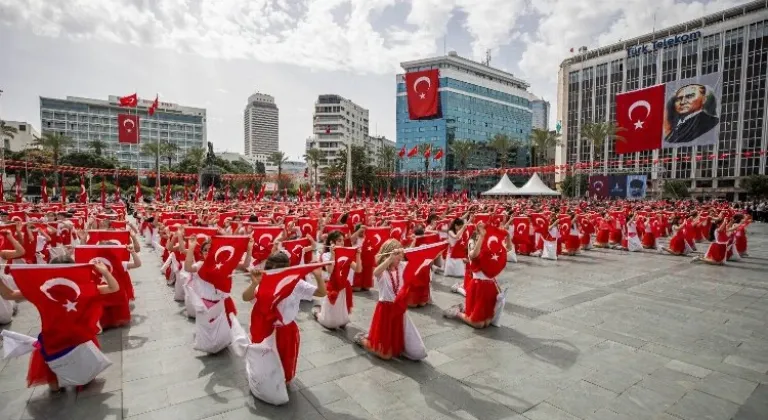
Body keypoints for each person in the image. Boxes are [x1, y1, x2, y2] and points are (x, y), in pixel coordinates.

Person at [242, 253, 327, 383]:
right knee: (265, 366)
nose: (276, 274)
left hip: (286, 330)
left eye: (280, 270)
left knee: (285, 364)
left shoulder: (296, 283)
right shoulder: (262, 280)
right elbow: (245, 297)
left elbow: (321, 293)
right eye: (272, 269)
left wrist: (318, 276)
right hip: (265, 329)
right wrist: (254, 283)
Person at [353, 239, 426, 360]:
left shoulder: (402, 266)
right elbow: (376, 272)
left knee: (418, 352)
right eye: (398, 256)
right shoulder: (382, 270)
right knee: (386, 355)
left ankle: (380, 340)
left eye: (401, 256)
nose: (400, 258)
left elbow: (418, 261)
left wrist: (429, 252)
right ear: (389, 254)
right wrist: (390, 259)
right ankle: (363, 340)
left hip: (399, 310)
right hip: (385, 311)